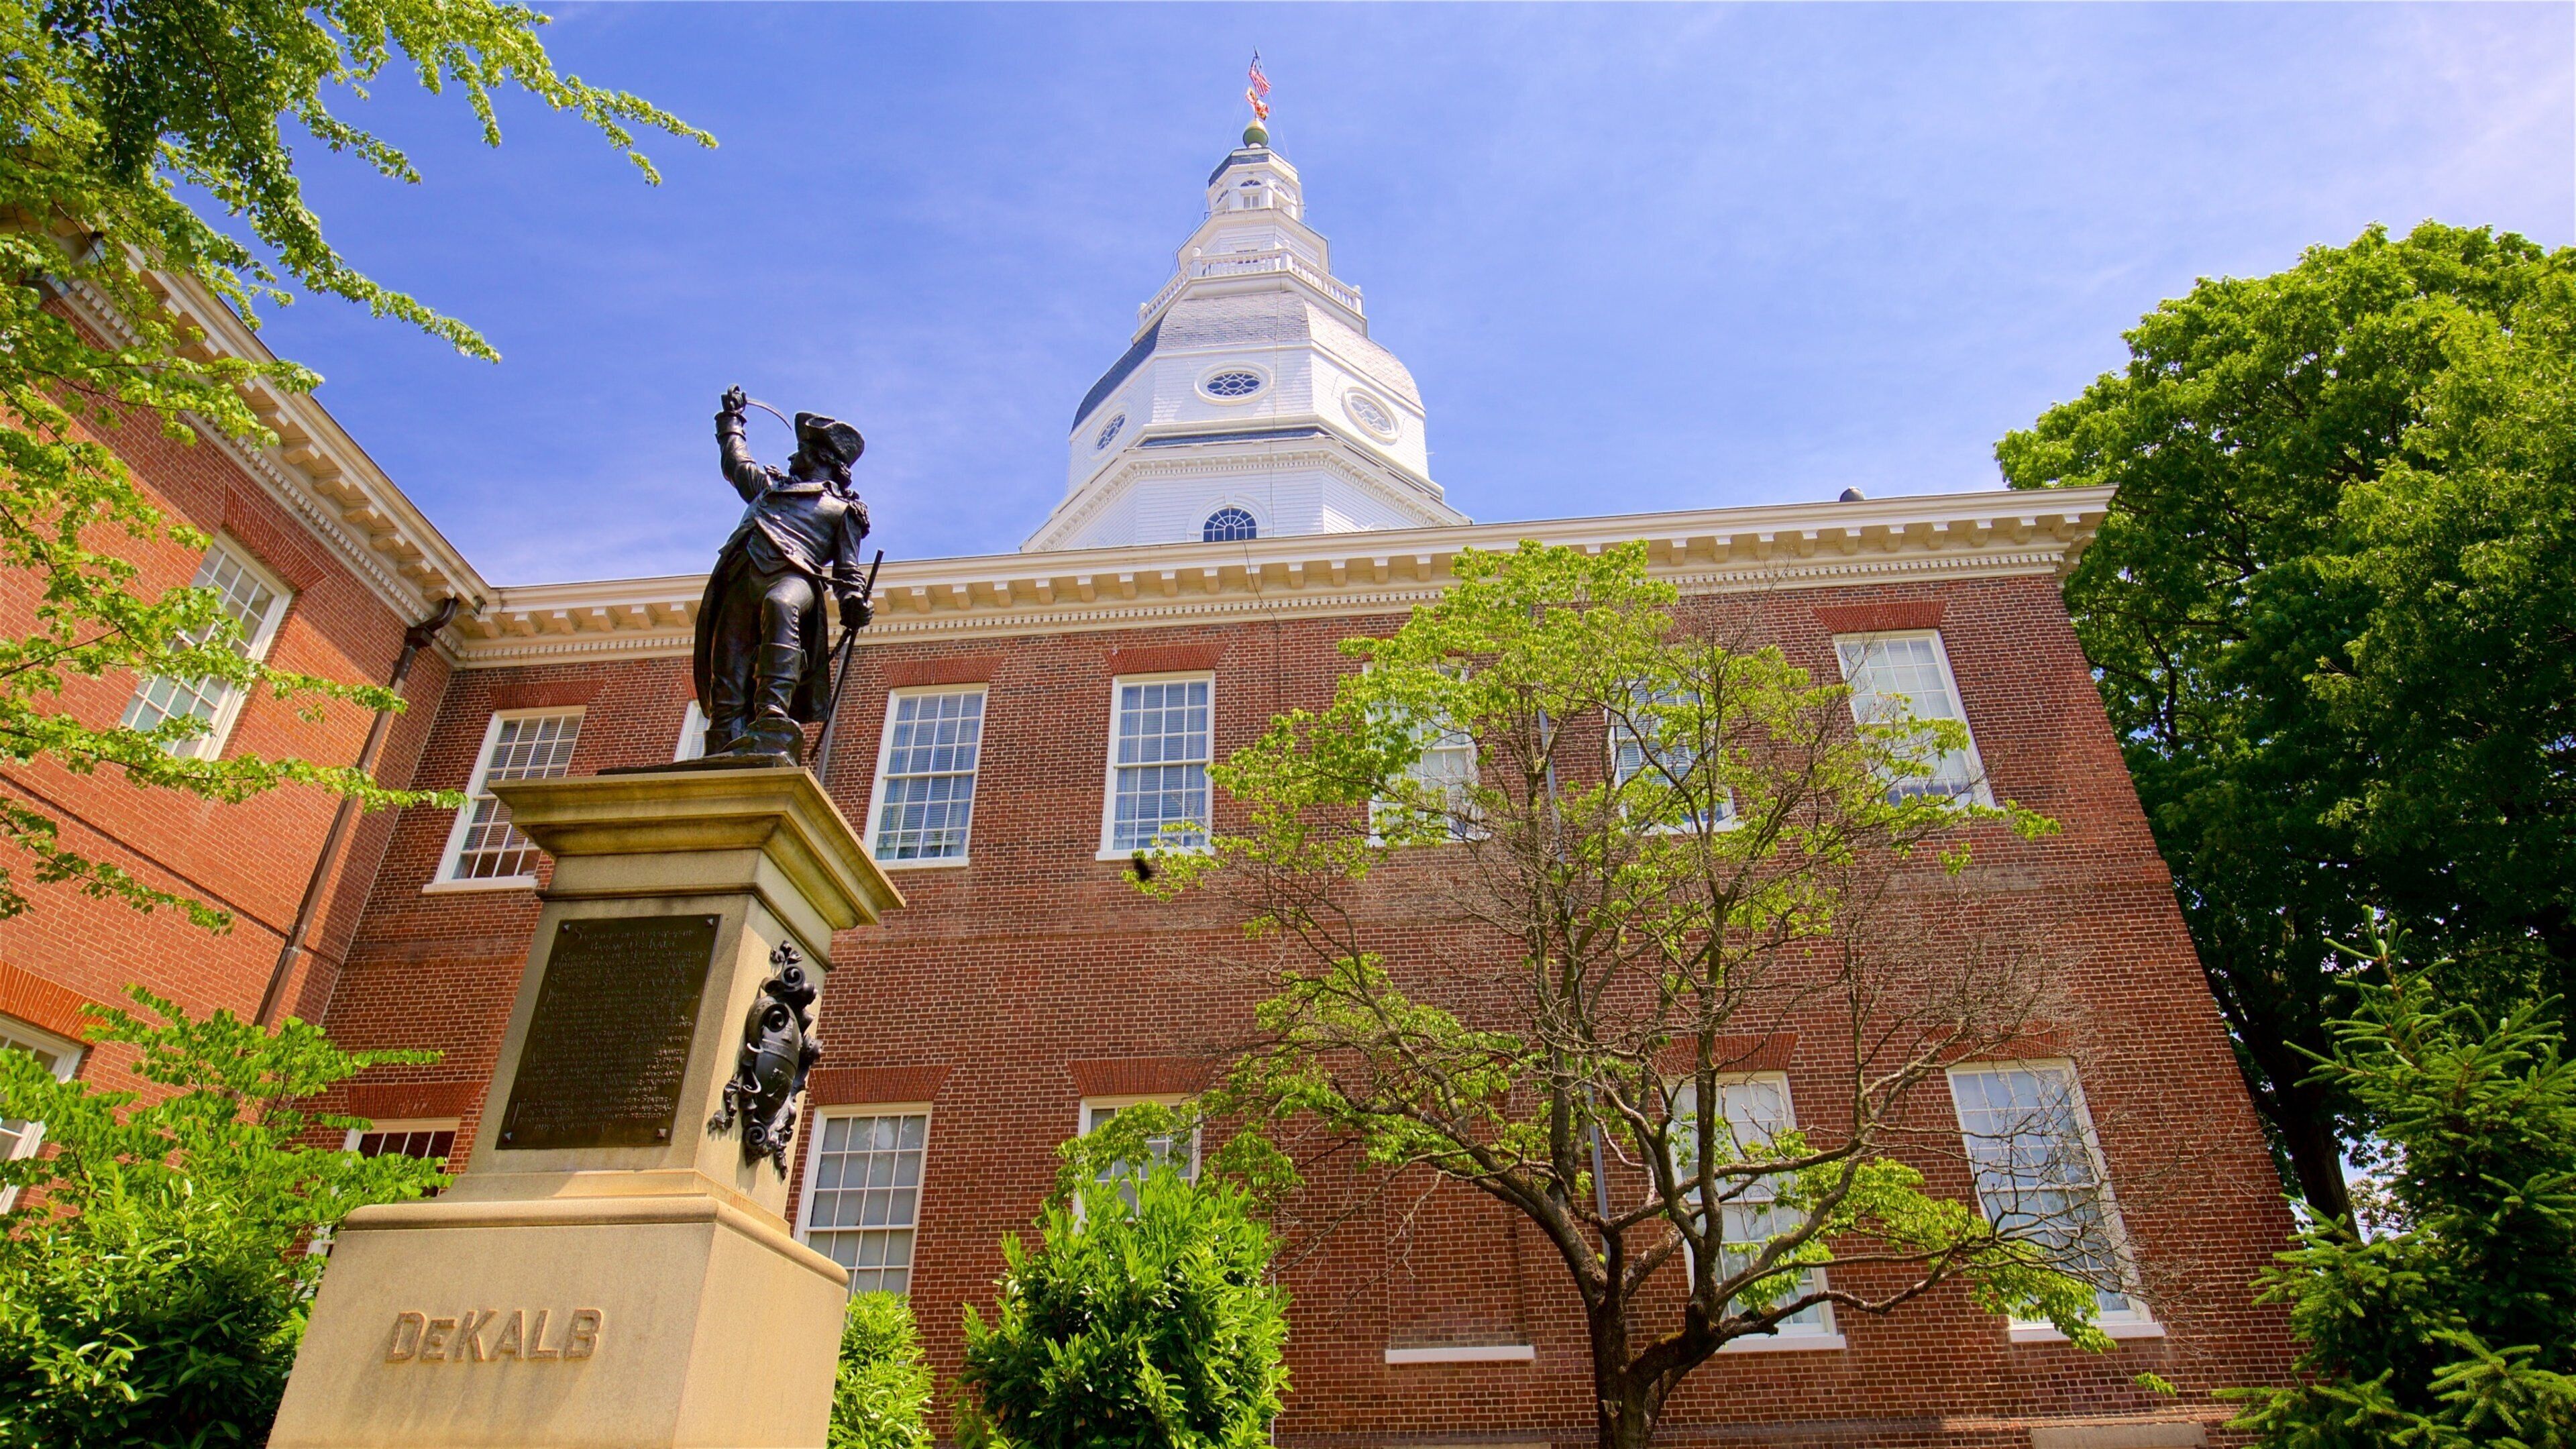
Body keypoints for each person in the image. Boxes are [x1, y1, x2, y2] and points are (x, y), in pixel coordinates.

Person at [692, 386, 872, 761]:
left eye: (802, 450)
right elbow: (736, 464)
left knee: (780, 605)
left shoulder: (842, 510)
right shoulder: (769, 487)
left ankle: (773, 715)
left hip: (795, 577)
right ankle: (722, 743)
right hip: (742, 577)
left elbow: (848, 569)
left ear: (821, 457)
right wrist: (732, 422)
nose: (792, 456)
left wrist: (854, 601)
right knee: (730, 661)